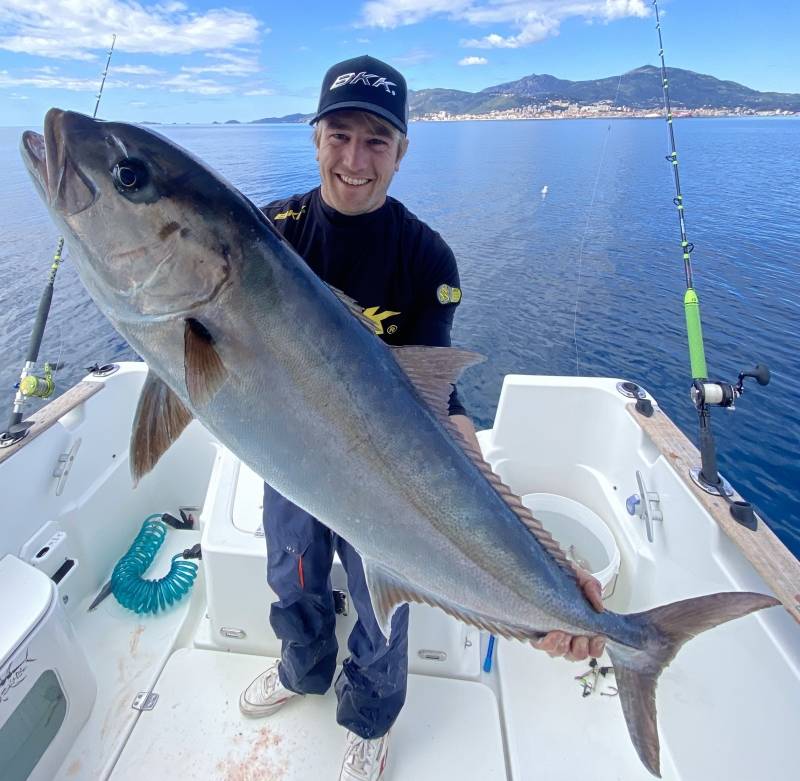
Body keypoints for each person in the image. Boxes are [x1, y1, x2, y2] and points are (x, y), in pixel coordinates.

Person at [239, 55, 606, 781]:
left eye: (376, 140)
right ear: (314, 138)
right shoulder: (270, 232)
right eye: (339, 135)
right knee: (293, 571)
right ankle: (301, 666)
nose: (354, 159)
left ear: (402, 153)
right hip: (291, 454)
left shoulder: (425, 255)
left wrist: (548, 570)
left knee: (385, 604)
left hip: (389, 474)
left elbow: (436, 399)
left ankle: (370, 716)